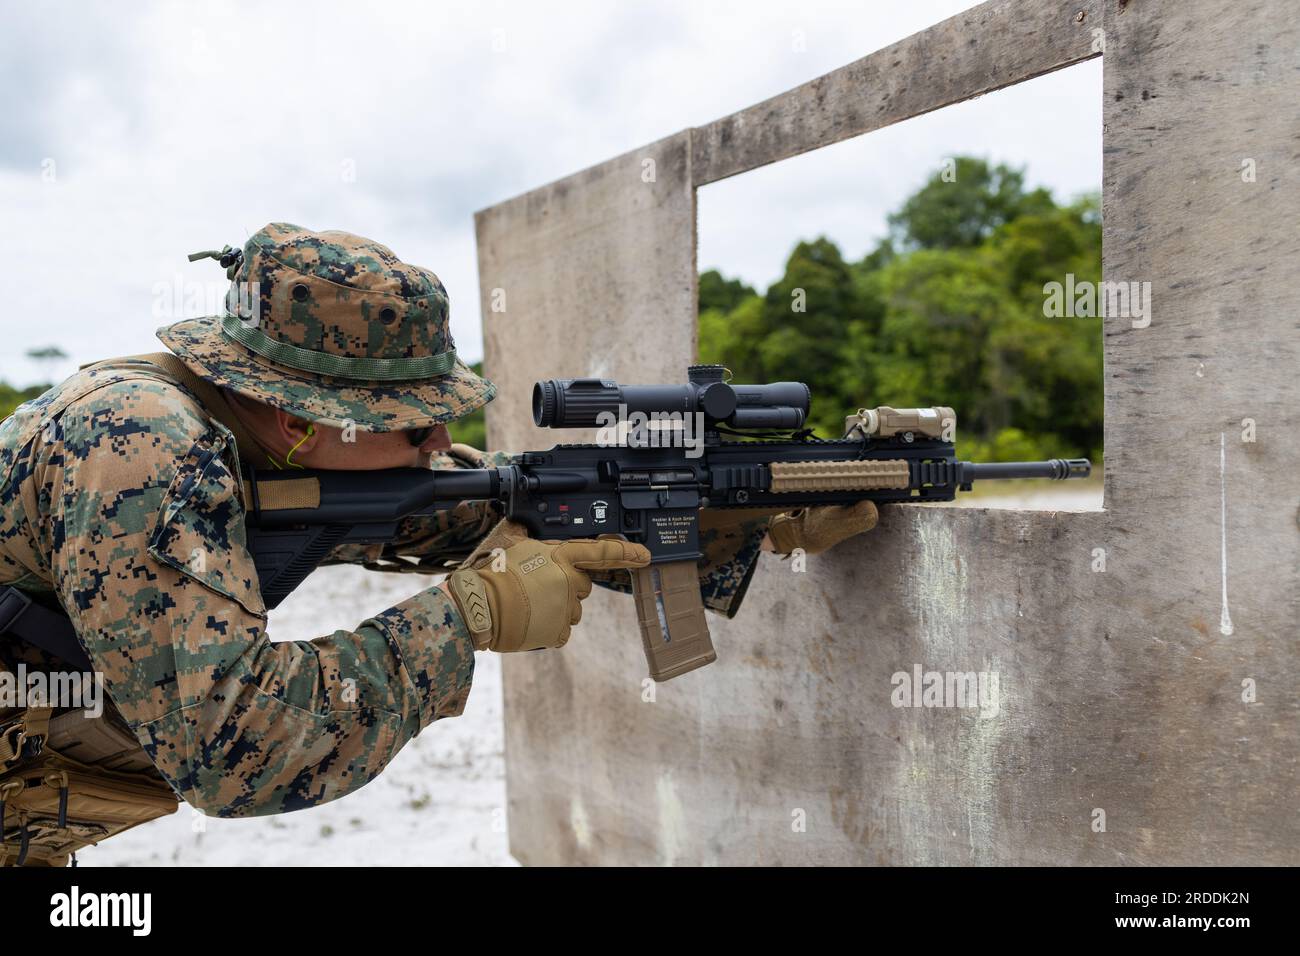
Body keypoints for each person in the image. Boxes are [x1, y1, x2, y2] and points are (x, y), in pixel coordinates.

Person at [0, 223, 874, 863]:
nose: (435, 442)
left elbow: (469, 502)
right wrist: (466, 618)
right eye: (409, 421)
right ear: (298, 412)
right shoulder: (140, 448)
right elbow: (234, 748)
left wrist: (736, 514)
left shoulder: (269, 445)